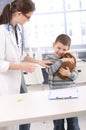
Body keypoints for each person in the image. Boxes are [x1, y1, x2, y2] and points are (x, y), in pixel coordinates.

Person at [0, 0, 52, 130]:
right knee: (8, 122)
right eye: (28, 17)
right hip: (6, 84)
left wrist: (38, 62)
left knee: (22, 114)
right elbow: (0, 64)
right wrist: (23, 67)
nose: (29, 20)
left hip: (16, 81)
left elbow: (20, 55)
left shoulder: (17, 29)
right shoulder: (1, 32)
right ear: (19, 14)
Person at [45, 34, 80, 130]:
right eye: (58, 48)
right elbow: (50, 71)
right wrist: (61, 61)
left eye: (64, 49)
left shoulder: (71, 59)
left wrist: (69, 74)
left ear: (68, 49)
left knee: (73, 124)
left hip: (70, 95)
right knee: (58, 125)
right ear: (53, 45)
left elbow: (75, 76)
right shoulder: (49, 59)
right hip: (55, 96)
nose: (60, 51)